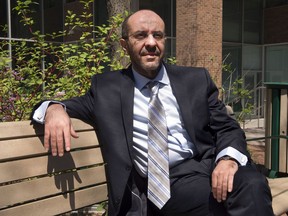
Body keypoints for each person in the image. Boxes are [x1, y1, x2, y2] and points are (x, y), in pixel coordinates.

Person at [32, 9, 274, 216]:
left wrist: (228, 159)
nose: (151, 42)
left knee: (252, 182)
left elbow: (227, 127)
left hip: (207, 165)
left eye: (157, 35)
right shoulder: (106, 88)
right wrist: (54, 109)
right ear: (125, 45)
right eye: (141, 35)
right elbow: (61, 105)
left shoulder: (194, 80)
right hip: (165, 184)